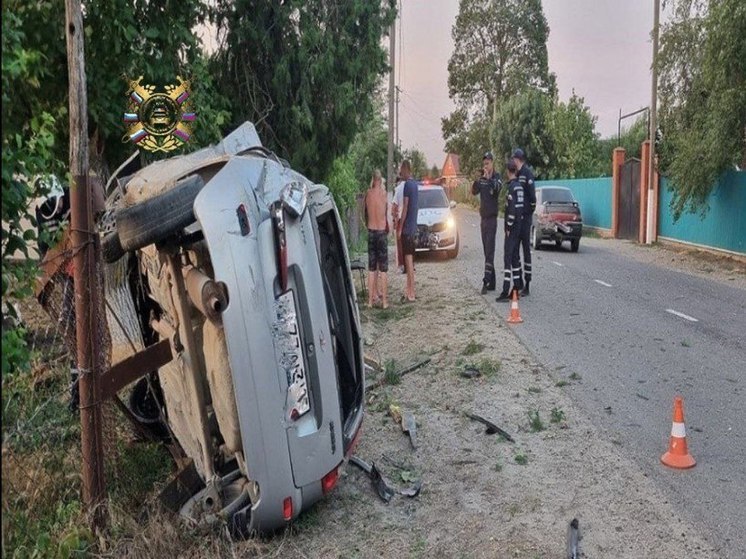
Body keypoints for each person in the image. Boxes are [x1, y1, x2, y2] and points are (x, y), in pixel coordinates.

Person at [471, 151, 502, 294]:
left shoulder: (497, 177)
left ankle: (486, 281)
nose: (486, 165)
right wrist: (480, 178)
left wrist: (489, 179)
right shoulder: (482, 178)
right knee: (486, 251)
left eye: (488, 163)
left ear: (492, 163)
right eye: (484, 163)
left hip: (492, 219)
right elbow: (473, 191)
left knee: (490, 250)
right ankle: (492, 282)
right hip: (483, 219)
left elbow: (496, 189)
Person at [496, 160, 525, 301]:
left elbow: (512, 210)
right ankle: (517, 287)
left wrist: (508, 226)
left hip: (512, 229)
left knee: (507, 258)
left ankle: (505, 290)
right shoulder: (520, 187)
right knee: (514, 258)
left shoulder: (512, 188)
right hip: (520, 226)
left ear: (508, 171)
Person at [512, 148, 536, 296]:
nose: (513, 161)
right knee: (515, 251)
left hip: (525, 219)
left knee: (526, 250)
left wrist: (527, 214)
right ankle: (518, 281)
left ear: (518, 159)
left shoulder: (527, 174)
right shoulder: (516, 174)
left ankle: (527, 283)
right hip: (516, 220)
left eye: (514, 158)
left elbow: (532, 198)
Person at [364, 169, 389, 309]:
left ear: (373, 179)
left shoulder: (368, 194)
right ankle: (384, 301)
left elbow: (365, 213)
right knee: (383, 269)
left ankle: (370, 301)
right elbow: (385, 213)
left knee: (371, 268)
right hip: (381, 233)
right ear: (380, 180)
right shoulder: (384, 194)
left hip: (371, 231)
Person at [397, 160, 418, 302]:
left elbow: (405, 208)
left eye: (401, 170)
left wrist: (400, 227)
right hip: (413, 228)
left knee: (408, 261)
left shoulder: (407, 186)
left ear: (406, 169)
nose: (400, 173)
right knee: (410, 261)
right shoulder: (415, 185)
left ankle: (411, 292)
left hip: (407, 229)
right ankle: (410, 290)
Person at [391, 177, 406, 274]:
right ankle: (410, 265)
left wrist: (394, 220)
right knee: (409, 243)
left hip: (401, 219)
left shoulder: (399, 189)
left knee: (400, 244)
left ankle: (401, 266)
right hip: (411, 219)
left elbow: (394, 206)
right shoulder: (412, 186)